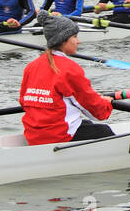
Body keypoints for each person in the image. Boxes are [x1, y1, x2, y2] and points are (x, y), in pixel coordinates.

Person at [18, 11, 115, 145]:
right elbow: (94, 110)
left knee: (86, 124)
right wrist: (106, 104)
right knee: (104, 131)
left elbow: (23, 102)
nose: (78, 41)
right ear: (63, 40)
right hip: (59, 136)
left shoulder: (31, 66)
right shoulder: (69, 69)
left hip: (33, 136)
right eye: (75, 36)